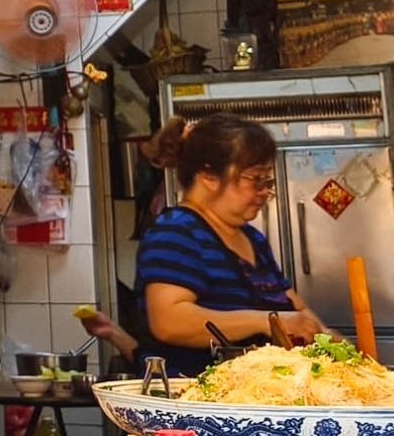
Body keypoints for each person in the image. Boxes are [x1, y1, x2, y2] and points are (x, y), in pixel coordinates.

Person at [137, 112, 326, 379]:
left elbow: (298, 312)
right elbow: (169, 321)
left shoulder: (252, 239)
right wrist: (265, 321)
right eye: (255, 180)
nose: (265, 192)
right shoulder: (176, 231)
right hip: (197, 400)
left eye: (267, 181)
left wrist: (342, 351)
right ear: (209, 177)